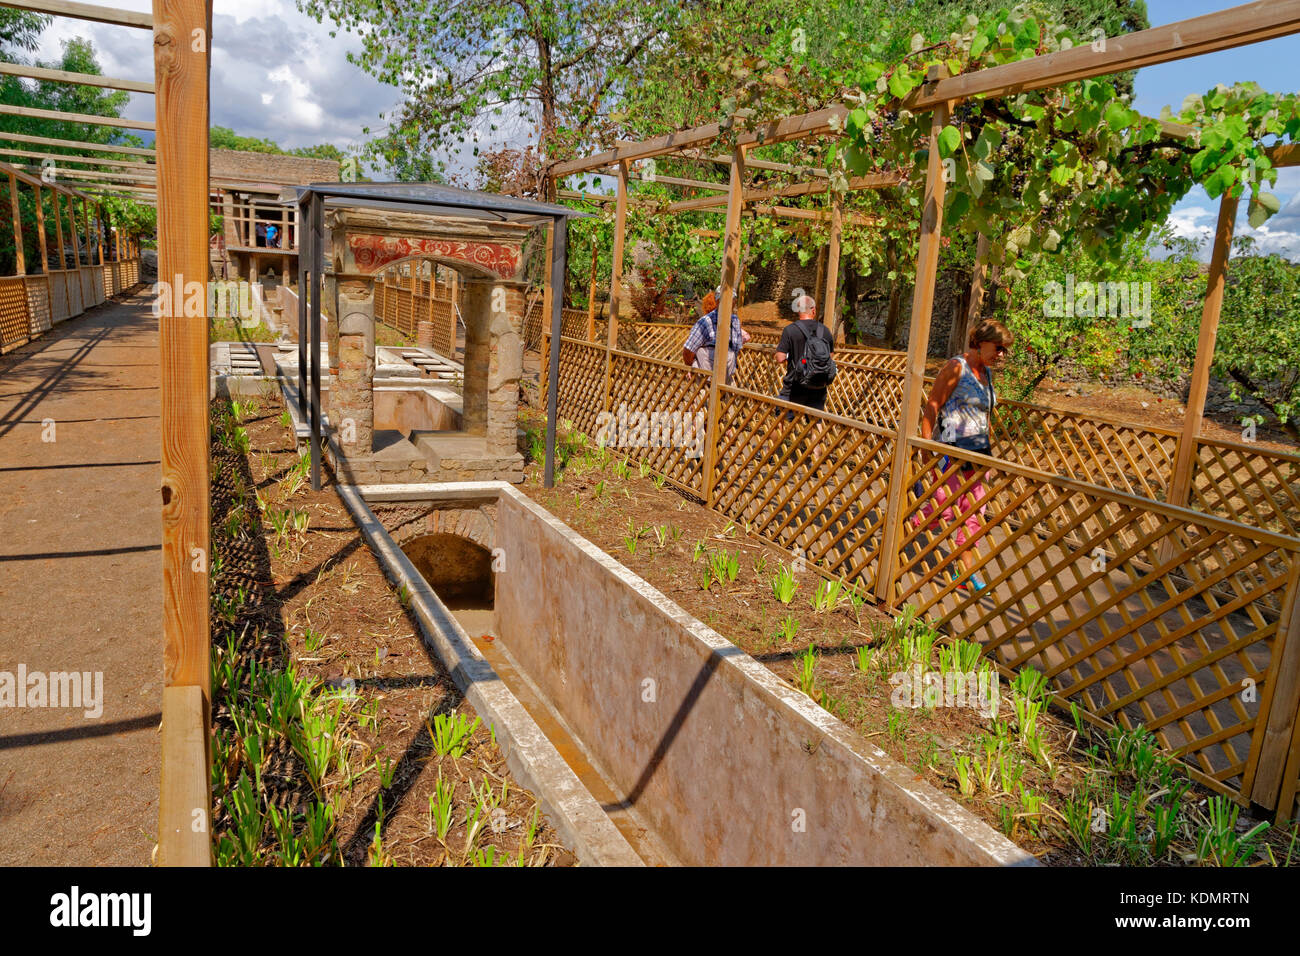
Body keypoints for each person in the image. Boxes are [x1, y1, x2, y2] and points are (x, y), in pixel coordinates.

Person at [915, 318, 1014, 593]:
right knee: (943, 510)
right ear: (979, 343)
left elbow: (984, 415)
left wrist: (988, 453)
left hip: (978, 453)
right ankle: (907, 530)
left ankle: (966, 574)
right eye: (998, 348)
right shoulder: (956, 367)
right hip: (951, 449)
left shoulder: (987, 374)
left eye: (1004, 350)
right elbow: (932, 407)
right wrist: (927, 452)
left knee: (973, 514)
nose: (1001, 355)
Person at [774, 294, 836, 415]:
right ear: (813, 310)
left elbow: (780, 358)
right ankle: (817, 434)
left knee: (780, 420)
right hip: (819, 384)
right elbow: (830, 357)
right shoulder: (824, 330)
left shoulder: (790, 330)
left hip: (795, 384)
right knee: (815, 422)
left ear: (798, 311)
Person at [682, 285, 750, 384]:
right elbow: (688, 350)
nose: (729, 303)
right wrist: (692, 368)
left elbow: (736, 348)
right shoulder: (705, 322)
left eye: (732, 300)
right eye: (723, 300)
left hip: (726, 378)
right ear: (717, 301)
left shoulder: (735, 321)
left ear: (735, 302)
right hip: (705, 380)